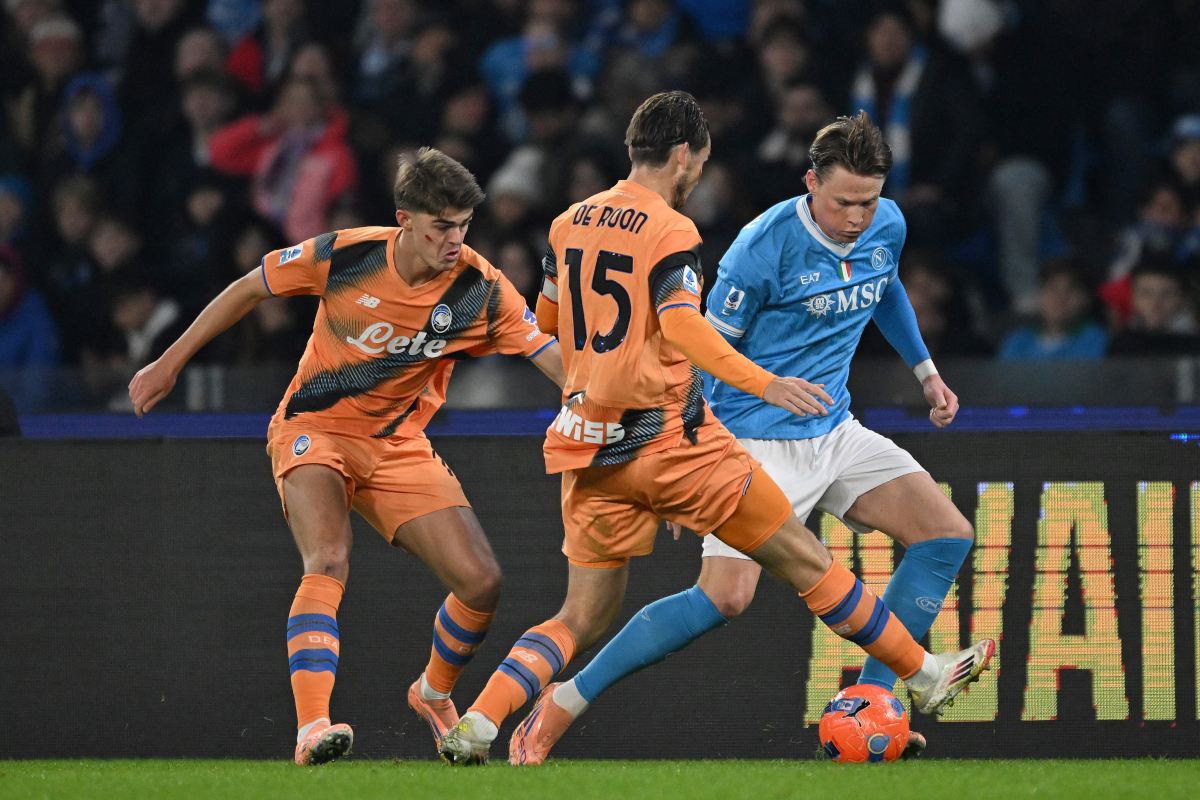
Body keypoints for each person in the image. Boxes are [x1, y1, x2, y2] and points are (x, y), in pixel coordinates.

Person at [438, 94, 993, 766]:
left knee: (945, 534)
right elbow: (694, 345)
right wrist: (687, 457)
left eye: (869, 202)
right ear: (810, 183)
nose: (857, 218)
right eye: (844, 202)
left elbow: (883, 282)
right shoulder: (753, 247)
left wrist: (925, 369)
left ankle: (879, 700)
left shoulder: (885, 227)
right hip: (751, 434)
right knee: (728, 596)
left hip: (821, 426)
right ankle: (560, 706)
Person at [127, 147, 567, 766]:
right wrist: (170, 361)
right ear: (404, 219)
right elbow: (248, 288)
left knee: (482, 583)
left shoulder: (479, 287)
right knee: (328, 558)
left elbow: (547, 354)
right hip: (314, 429)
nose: (456, 239)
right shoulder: (347, 254)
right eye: (442, 225)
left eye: (465, 225)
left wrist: (602, 403)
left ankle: (432, 692)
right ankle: (312, 729)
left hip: (397, 445)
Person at [999, 261, 1109, 361]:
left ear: (1086, 299)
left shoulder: (1097, 340)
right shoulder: (1018, 341)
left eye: (1071, 289)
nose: (1061, 298)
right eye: (1052, 288)